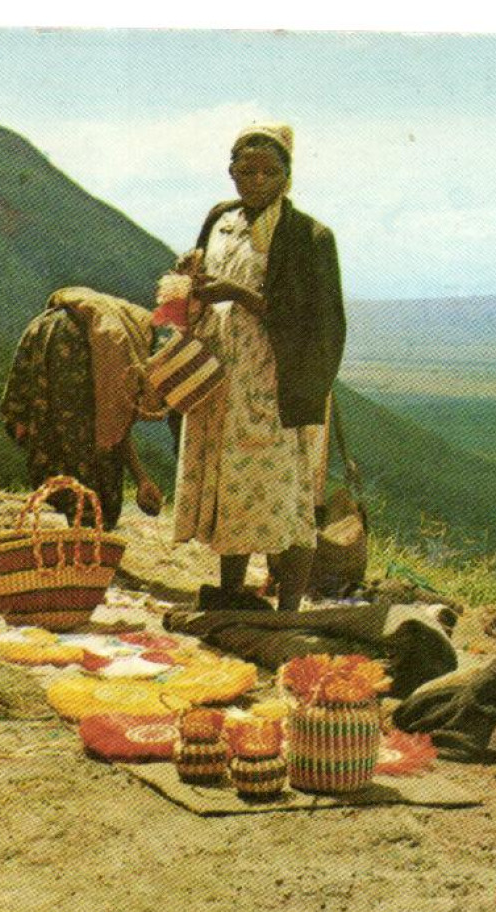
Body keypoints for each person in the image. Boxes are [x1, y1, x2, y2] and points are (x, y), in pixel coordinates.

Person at [170, 121, 346, 612]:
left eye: (269, 172)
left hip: (275, 382)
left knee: (285, 492)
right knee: (232, 484)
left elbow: (318, 316)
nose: (256, 180)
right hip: (224, 375)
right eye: (245, 170)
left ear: (288, 177)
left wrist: (237, 295)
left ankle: (288, 609)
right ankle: (231, 592)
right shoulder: (222, 219)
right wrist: (195, 276)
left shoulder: (308, 236)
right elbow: (208, 275)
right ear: (230, 171)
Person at [1, 287, 164, 529]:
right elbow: (113, 427)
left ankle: (68, 524)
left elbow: (115, 424)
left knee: (50, 433)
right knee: (89, 450)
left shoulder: (111, 330)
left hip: (40, 330)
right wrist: (140, 478)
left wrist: (141, 479)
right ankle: (89, 533)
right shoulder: (128, 349)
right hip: (73, 342)